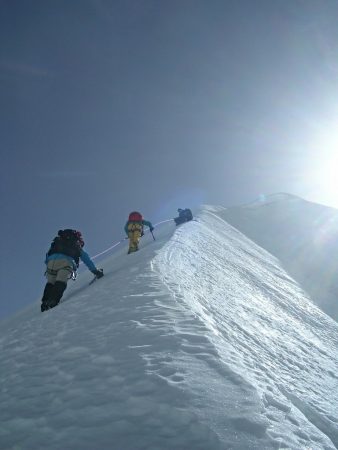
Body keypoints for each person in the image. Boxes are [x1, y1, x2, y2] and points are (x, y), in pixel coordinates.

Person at [41, 229, 103, 312]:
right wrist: (95, 271)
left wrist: (48, 263)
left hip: (50, 264)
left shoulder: (58, 241)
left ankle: (44, 303)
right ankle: (53, 301)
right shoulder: (76, 246)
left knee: (51, 282)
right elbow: (86, 259)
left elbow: (48, 254)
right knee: (61, 281)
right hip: (65, 263)